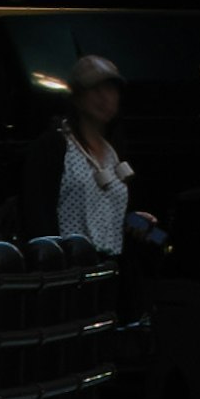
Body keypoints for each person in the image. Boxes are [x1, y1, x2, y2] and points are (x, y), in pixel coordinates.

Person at [56, 52, 144, 254]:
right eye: (95, 89)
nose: (105, 97)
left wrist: (141, 223)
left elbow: (114, 216)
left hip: (110, 271)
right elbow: (38, 213)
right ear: (77, 97)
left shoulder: (116, 152)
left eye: (111, 89)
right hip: (69, 271)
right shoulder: (57, 147)